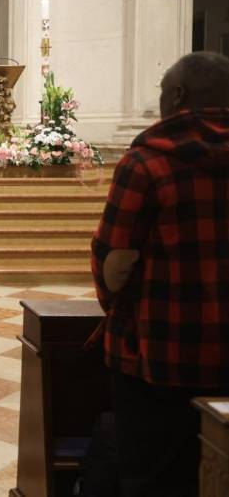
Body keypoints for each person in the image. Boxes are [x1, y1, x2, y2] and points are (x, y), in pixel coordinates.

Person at [90, 51, 229, 496]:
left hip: (160, 354)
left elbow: (112, 261)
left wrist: (114, 306)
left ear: (179, 95)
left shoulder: (147, 163)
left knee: (153, 479)